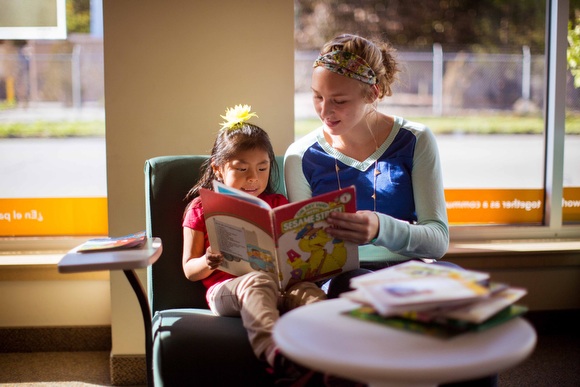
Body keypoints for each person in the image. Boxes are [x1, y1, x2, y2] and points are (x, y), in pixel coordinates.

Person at [285, 34, 496, 387]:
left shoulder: (415, 140)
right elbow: (304, 252)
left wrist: (381, 227)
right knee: (359, 294)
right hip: (345, 276)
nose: (324, 111)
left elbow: (437, 240)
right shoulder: (301, 155)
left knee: (468, 298)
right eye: (317, 97)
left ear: (374, 93)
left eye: (338, 100)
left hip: (413, 268)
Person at [181, 104, 326, 384]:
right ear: (218, 169)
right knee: (258, 281)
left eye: (262, 168)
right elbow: (189, 269)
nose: (253, 178)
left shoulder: (277, 203)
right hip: (228, 290)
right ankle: (275, 355)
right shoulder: (201, 208)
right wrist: (208, 260)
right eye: (242, 168)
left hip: (282, 285)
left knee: (309, 292)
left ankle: (322, 357)